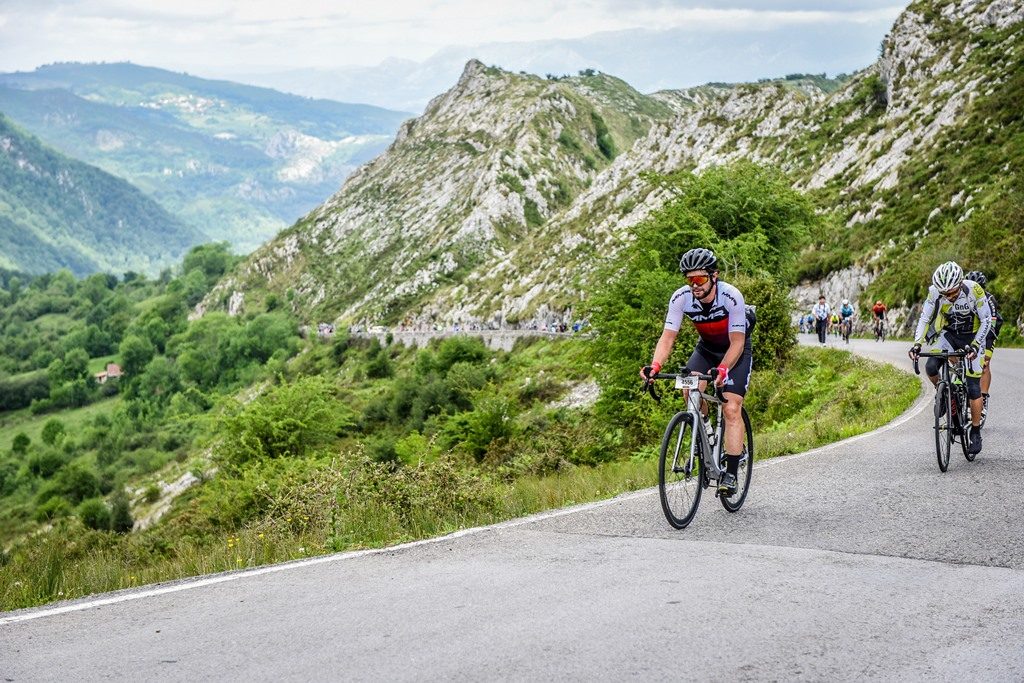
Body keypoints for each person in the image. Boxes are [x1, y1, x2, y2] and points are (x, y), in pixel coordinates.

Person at [640, 248, 754, 496]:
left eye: (700, 279)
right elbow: (668, 337)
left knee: (731, 408)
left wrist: (723, 370)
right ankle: (707, 433)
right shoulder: (681, 298)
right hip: (706, 349)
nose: (694, 285)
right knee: (688, 390)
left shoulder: (731, 297)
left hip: (735, 350)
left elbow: (737, 342)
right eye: (689, 279)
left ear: (714, 276)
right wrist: (655, 366)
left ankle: (731, 474)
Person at [909, 262, 992, 455]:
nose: (950, 297)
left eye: (953, 292)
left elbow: (986, 320)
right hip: (949, 335)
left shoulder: (974, 290)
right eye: (945, 294)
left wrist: (976, 345)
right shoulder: (934, 292)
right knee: (930, 367)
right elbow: (924, 319)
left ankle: (976, 431)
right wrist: (916, 344)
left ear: (961, 283)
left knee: (973, 386)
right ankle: (946, 393)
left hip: (973, 336)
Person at [965, 271, 1002, 422]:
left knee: (984, 364)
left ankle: (983, 396)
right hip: (971, 331)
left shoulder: (989, 299)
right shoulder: (964, 297)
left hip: (989, 331)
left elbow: (990, 327)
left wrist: (985, 352)